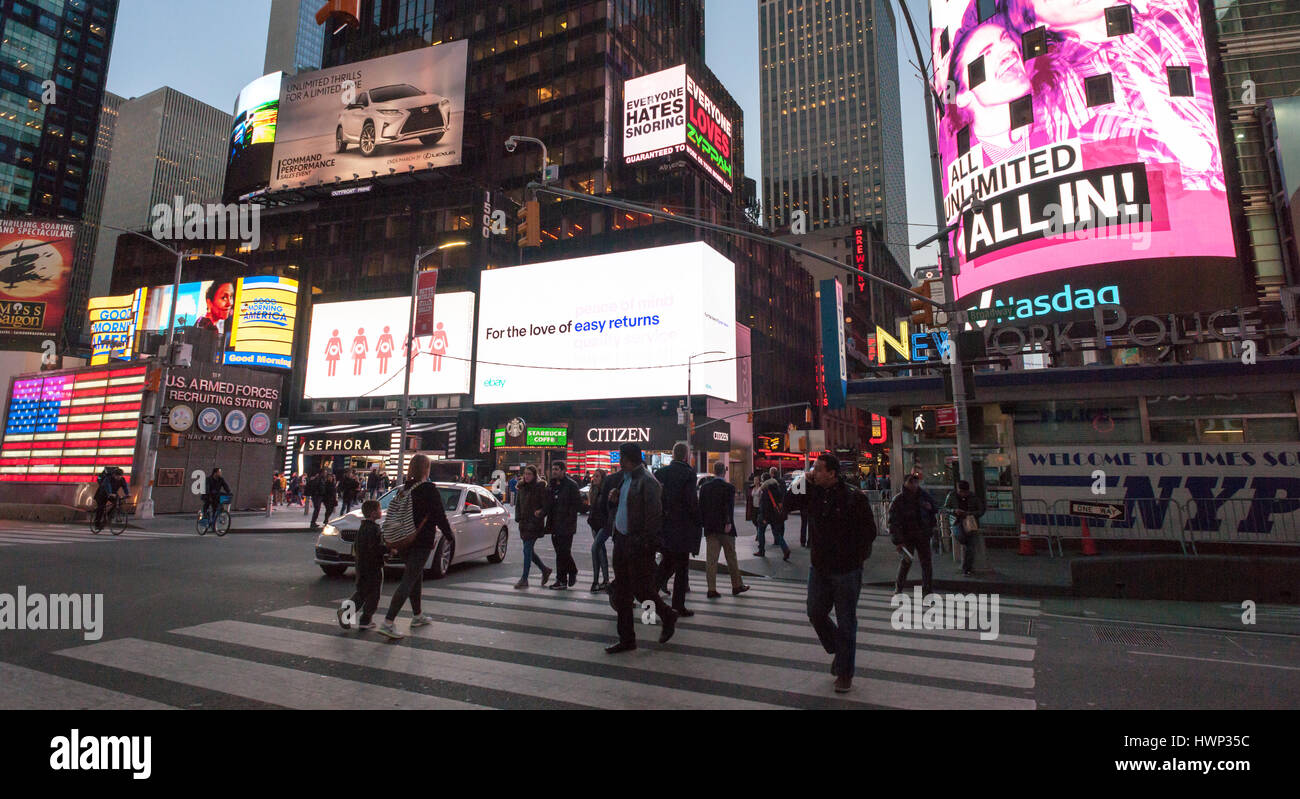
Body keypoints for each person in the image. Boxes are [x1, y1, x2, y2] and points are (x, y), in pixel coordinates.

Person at [788, 453, 876, 693]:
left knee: (846, 621)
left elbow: (869, 531)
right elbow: (786, 503)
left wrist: (854, 556)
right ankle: (841, 649)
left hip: (846, 569)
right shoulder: (812, 491)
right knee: (815, 612)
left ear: (832, 473)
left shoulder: (853, 497)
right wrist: (801, 480)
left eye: (817, 469)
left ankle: (845, 672)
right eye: (814, 468)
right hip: (819, 567)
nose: (814, 472)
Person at [604, 443, 677, 654]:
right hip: (622, 541)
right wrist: (613, 502)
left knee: (641, 589)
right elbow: (624, 509)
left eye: (621, 458)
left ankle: (666, 614)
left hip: (637, 544)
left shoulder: (647, 481)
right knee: (622, 592)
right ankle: (627, 639)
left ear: (629, 459)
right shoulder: (624, 479)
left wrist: (644, 542)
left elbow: (654, 517)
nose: (619, 462)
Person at [377, 454, 453, 640]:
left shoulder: (404, 489)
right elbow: (439, 515)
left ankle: (417, 615)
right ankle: (388, 622)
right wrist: (449, 536)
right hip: (421, 540)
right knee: (409, 579)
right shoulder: (428, 489)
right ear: (426, 469)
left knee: (415, 576)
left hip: (404, 540)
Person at [653, 442, 702, 616]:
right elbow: (691, 502)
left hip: (664, 526)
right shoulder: (688, 474)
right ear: (686, 455)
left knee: (666, 563)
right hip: (682, 527)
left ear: (673, 455)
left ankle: (649, 594)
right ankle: (678, 605)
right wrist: (698, 520)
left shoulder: (661, 473)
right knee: (681, 567)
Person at [698, 461, 749, 599]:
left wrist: (703, 524)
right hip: (725, 528)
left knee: (711, 560)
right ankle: (736, 585)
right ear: (724, 472)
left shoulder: (705, 488)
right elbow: (728, 507)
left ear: (714, 471)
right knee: (731, 557)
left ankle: (711, 589)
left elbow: (701, 507)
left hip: (710, 528)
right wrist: (728, 522)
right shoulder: (729, 488)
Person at [889, 473, 939, 596]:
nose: (914, 485)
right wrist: (898, 540)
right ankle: (898, 587)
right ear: (905, 483)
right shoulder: (899, 499)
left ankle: (927, 590)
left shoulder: (923, 496)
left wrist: (930, 507)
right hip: (907, 536)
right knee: (906, 562)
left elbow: (935, 507)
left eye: (916, 482)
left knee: (926, 563)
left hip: (923, 533)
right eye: (911, 482)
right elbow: (893, 522)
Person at [338, 499, 384, 631]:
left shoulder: (363, 528)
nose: (381, 512)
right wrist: (388, 550)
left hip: (362, 564)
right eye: (379, 510)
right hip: (373, 566)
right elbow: (375, 548)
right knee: (374, 594)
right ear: (374, 513)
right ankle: (364, 618)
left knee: (362, 591)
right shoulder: (374, 529)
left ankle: (348, 614)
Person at [513, 466, 553, 589]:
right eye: (525, 474)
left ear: (535, 475)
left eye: (529, 474)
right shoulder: (521, 487)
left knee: (527, 550)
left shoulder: (540, 487)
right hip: (524, 523)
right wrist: (518, 517)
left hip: (535, 523)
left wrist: (540, 512)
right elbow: (518, 504)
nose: (527, 476)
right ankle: (545, 569)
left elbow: (546, 505)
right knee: (528, 550)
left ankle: (524, 579)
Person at [545, 462, 581, 590]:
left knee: (563, 552)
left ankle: (562, 579)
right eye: (553, 469)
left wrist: (568, 517)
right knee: (560, 552)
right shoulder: (552, 485)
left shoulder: (571, 485)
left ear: (563, 471)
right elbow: (548, 503)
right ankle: (569, 573)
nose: (554, 472)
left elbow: (577, 504)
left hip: (566, 524)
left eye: (557, 469)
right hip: (554, 523)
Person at [945, 480, 987, 576]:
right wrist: (954, 511)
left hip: (969, 521)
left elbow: (981, 510)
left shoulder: (973, 497)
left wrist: (969, 513)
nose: (963, 494)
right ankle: (967, 567)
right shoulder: (952, 496)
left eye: (964, 492)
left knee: (970, 543)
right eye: (961, 492)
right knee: (965, 540)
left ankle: (967, 568)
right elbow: (945, 508)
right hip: (957, 521)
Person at [759, 467, 792, 561]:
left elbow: (764, 505)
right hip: (775, 514)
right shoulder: (776, 487)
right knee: (777, 533)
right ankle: (785, 549)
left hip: (767, 514)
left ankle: (761, 550)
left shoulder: (765, 490)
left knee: (761, 531)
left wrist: (764, 516)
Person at [587, 469, 611, 592]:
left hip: (604, 525)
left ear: (602, 478)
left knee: (595, 548)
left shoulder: (605, 492)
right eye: (593, 476)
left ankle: (596, 581)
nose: (594, 478)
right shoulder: (593, 491)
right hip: (595, 524)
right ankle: (605, 580)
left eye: (597, 476)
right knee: (600, 552)